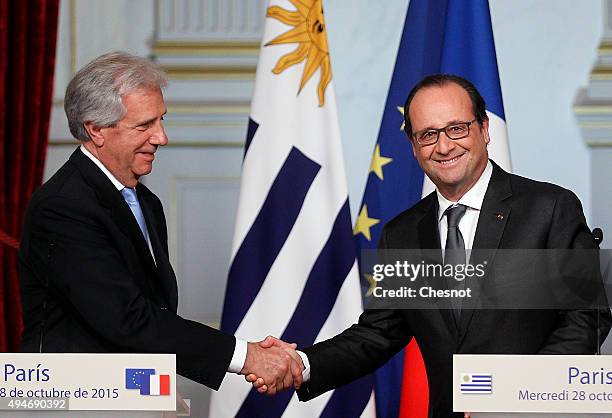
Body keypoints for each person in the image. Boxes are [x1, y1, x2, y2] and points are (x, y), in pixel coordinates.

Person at [247, 74, 612, 417]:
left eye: (457, 128)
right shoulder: (402, 233)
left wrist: (517, 394)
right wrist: (303, 364)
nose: (444, 146)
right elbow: (379, 333)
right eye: (428, 134)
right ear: (414, 146)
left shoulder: (549, 208)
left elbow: (587, 318)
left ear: (484, 129)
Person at [18, 51, 302, 394]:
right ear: (96, 130)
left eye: (161, 120)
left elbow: (154, 309)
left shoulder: (143, 200)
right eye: (144, 126)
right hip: (73, 401)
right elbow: (127, 319)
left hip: (132, 395)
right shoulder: (64, 207)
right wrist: (247, 357)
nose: (161, 138)